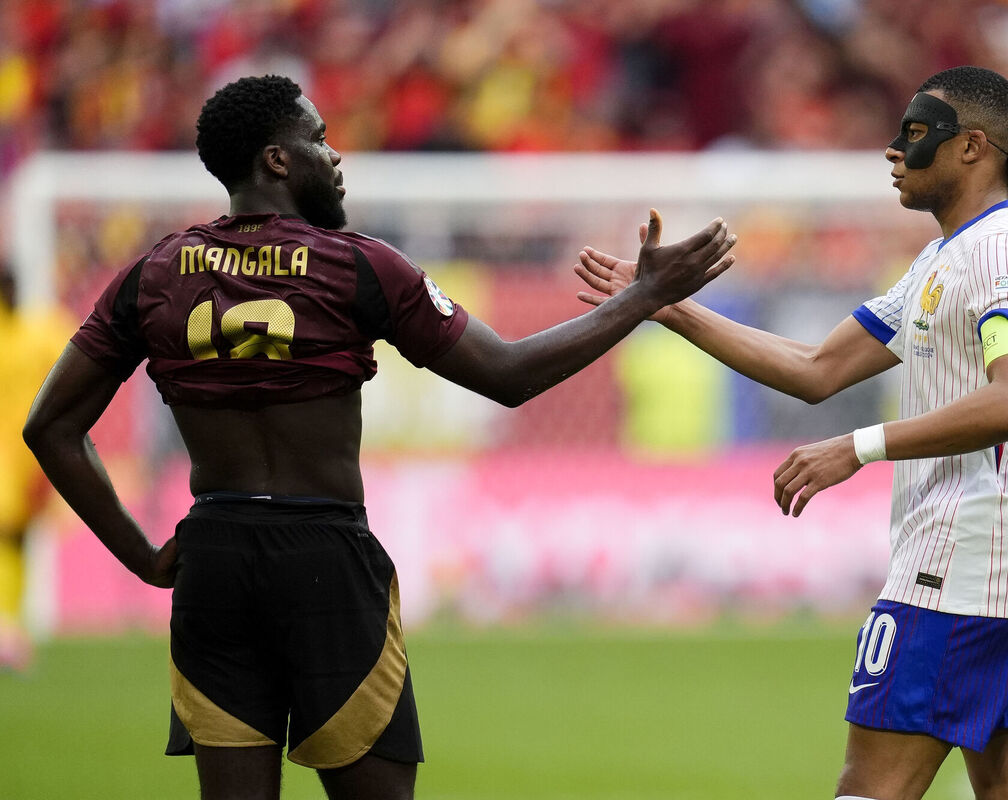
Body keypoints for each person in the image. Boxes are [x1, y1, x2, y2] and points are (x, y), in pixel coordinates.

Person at [23, 74, 735, 800]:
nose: (335, 157)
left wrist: (143, 558)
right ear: (276, 159)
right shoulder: (356, 265)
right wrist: (644, 297)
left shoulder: (152, 274)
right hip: (323, 559)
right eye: (319, 139)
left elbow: (50, 428)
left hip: (215, 560)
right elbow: (510, 374)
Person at [576, 65, 1008, 800]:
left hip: (963, 562)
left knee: (867, 790)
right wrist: (663, 306)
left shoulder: (1003, 250)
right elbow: (816, 367)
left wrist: (860, 446)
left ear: (972, 146)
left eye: (915, 133)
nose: (894, 150)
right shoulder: (944, 259)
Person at [0, 266, 73, 671]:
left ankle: (10, 627)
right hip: (7, 458)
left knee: (19, 540)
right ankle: (7, 630)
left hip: (28, 457)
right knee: (8, 536)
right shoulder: (26, 333)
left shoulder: (35, 330)